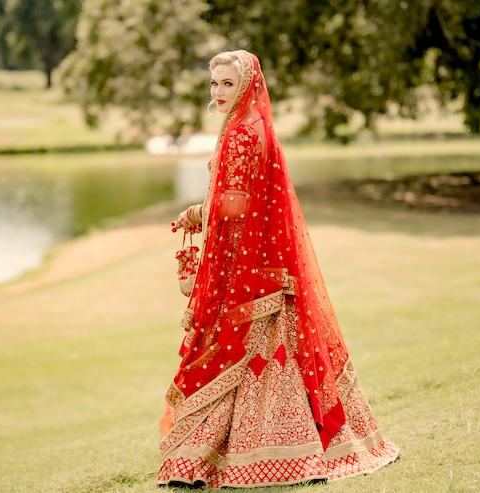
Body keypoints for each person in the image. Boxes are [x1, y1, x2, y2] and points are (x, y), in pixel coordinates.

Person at [159, 50, 399, 488]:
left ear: (247, 83)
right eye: (214, 84)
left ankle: (236, 458)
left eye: (227, 84)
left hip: (248, 267)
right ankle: (294, 449)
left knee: (248, 353)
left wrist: (199, 212)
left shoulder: (240, 134)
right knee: (277, 353)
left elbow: (238, 204)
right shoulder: (254, 125)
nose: (218, 92)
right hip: (270, 265)